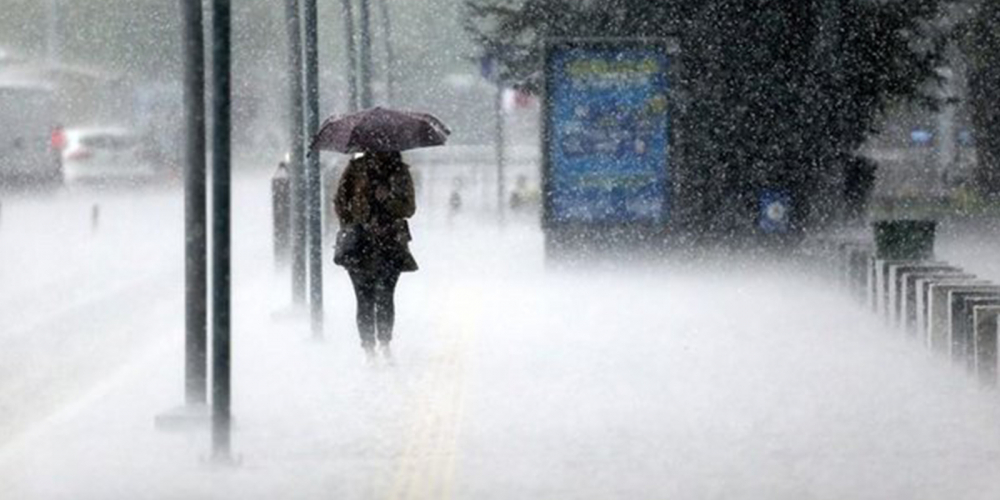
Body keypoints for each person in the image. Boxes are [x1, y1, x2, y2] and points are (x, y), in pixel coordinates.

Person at [333, 151, 417, 363]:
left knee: (386, 296)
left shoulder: (400, 171)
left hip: (390, 243)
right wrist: (354, 223)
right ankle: (368, 348)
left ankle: (385, 343)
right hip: (360, 244)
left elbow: (409, 208)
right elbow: (340, 202)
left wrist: (388, 199)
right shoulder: (355, 169)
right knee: (364, 298)